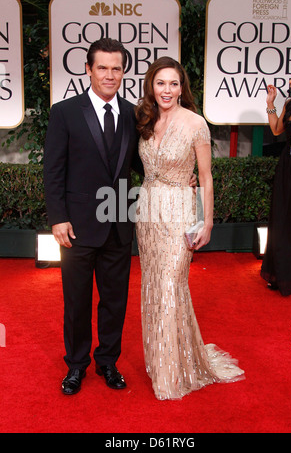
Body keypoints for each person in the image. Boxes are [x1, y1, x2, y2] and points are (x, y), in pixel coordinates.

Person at [44, 39, 196, 395]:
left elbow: (144, 164)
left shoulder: (134, 113)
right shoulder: (65, 112)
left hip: (120, 219)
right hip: (77, 225)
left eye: (116, 68)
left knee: (114, 300)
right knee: (76, 300)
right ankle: (76, 365)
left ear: (123, 72)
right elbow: (53, 170)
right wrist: (58, 217)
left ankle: (108, 362)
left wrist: (181, 176)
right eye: (102, 68)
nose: (109, 75)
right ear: (88, 70)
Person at [135, 56, 245, 400]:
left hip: (180, 210)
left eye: (174, 83)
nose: (167, 90)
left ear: (182, 88)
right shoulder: (144, 118)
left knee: (170, 285)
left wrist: (208, 220)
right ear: (151, 86)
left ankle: (172, 374)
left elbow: (207, 176)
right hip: (148, 211)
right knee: (154, 287)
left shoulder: (196, 123)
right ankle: (164, 361)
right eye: (160, 83)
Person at [261, 63, 291, 296]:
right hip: (288, 166)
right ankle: (283, 273)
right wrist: (270, 104)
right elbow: (276, 130)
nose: (290, 82)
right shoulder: (290, 104)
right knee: (284, 218)